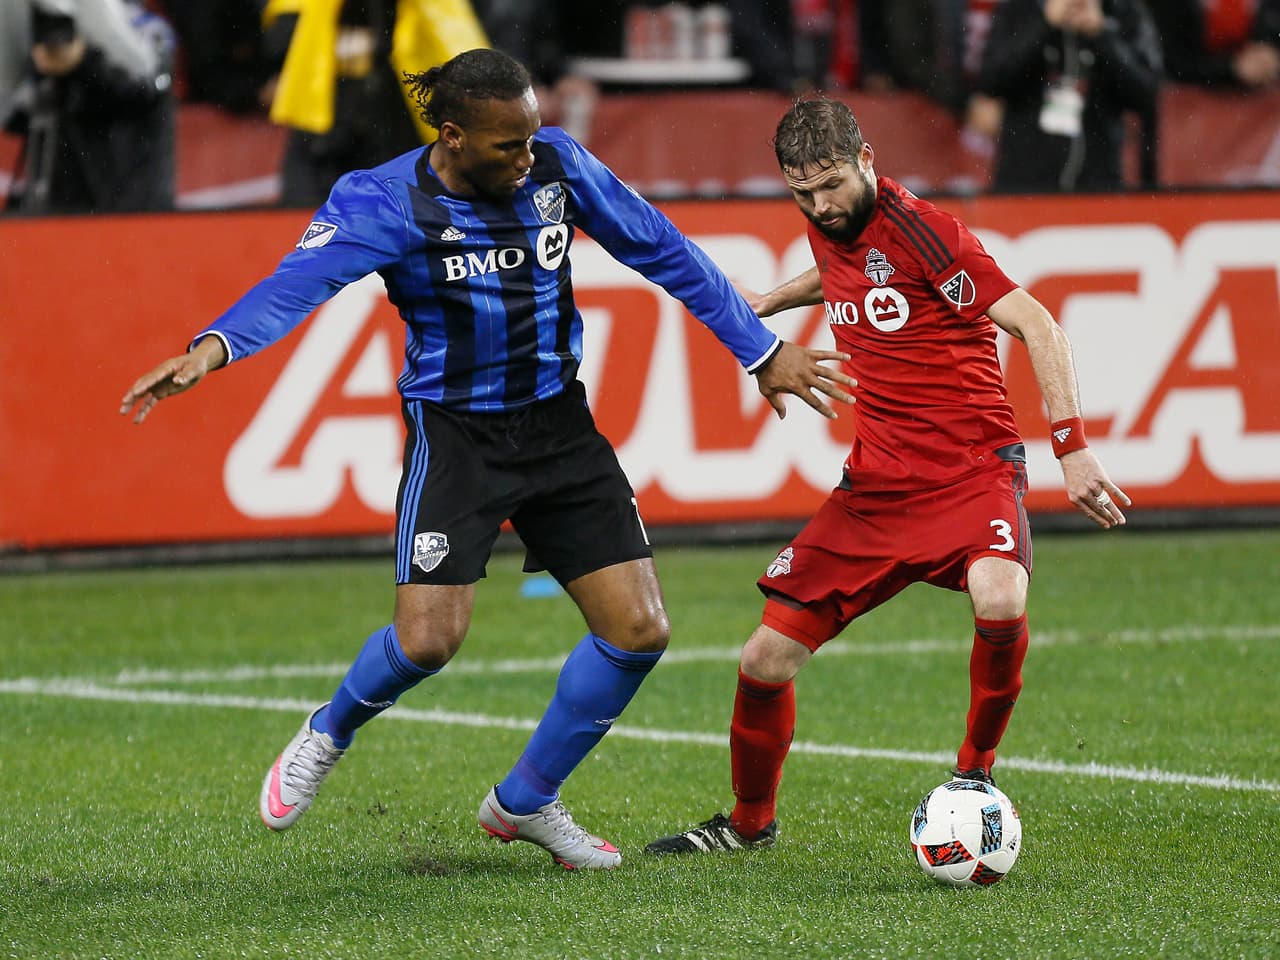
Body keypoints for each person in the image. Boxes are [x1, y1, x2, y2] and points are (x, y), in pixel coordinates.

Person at [118, 49, 855, 870]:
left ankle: (526, 801)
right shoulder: (383, 200)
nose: (527, 157)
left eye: (534, 137)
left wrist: (758, 350)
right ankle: (329, 729)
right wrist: (212, 347)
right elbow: (296, 286)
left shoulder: (557, 169)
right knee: (430, 640)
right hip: (457, 436)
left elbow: (663, 247)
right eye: (508, 145)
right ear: (453, 134)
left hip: (557, 429)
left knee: (639, 628)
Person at [645, 96, 1129, 856]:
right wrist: (773, 299)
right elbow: (848, 272)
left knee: (1000, 593)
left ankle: (974, 775)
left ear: (867, 159)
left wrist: (1071, 447)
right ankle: (748, 824)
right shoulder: (833, 217)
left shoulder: (929, 233)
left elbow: (1039, 325)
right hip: (875, 489)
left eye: (832, 184)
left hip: (973, 471)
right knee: (763, 660)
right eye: (803, 193)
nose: (821, 205)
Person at [262, 0, 488, 207]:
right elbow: (283, 30)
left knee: (397, 191)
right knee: (311, 195)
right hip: (330, 101)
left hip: (393, 100)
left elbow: (450, 34)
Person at [3, 0, 175, 213]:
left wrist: (84, 61)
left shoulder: (146, 28)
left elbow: (145, 88)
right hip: (60, 206)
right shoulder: (36, 33)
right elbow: (13, 117)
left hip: (133, 207)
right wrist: (37, 75)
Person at [978, 0, 1161, 193]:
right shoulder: (1019, 8)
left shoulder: (1123, 10)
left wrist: (1101, 35)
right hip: (1025, 179)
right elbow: (991, 82)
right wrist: (1045, 25)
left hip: (1099, 180)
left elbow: (1146, 92)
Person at [1148, 0, 1280, 90]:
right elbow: (1171, 63)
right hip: (1194, 101)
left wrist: (1269, 51)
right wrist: (1231, 68)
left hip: (1261, 101)